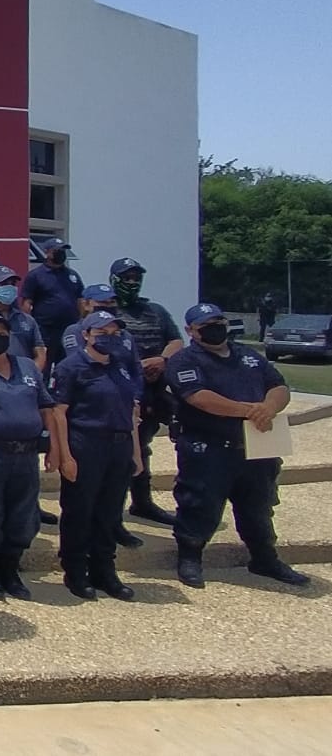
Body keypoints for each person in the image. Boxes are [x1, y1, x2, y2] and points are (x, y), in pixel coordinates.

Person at [167, 303, 309, 589]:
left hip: (256, 447)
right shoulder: (184, 360)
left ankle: (264, 559)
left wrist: (269, 407)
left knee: (259, 506)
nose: (215, 327)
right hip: (208, 448)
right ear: (191, 331)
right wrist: (249, 410)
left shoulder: (248, 355)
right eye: (206, 324)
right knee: (199, 504)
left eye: (218, 320)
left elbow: (278, 386)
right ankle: (190, 558)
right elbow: (199, 397)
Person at [0, 312, 58, 601]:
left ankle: (11, 570)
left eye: (3, 332)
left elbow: (46, 407)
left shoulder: (27, 367)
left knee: (23, 517)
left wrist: (54, 446)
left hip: (26, 455)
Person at [50, 311, 142, 601]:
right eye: (102, 332)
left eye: (114, 332)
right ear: (86, 335)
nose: (108, 337)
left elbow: (132, 410)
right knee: (80, 511)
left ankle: (105, 570)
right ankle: (75, 571)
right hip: (86, 443)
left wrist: (136, 452)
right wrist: (65, 456)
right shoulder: (71, 367)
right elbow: (59, 413)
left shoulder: (123, 365)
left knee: (110, 511)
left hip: (120, 444)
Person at [108, 257, 185, 530]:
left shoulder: (155, 310)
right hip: (121, 390)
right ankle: (112, 516)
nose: (132, 282)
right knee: (123, 452)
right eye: (126, 277)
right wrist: (137, 367)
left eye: (136, 277)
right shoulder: (108, 312)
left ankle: (142, 503)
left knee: (142, 447)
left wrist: (162, 360)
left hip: (154, 389)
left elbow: (176, 340)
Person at [20, 237, 84, 366]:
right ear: (47, 252)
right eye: (57, 251)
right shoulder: (36, 275)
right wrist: (29, 325)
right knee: (45, 365)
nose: (61, 253)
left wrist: (81, 321)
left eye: (63, 251)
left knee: (69, 363)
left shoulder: (72, 275)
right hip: (45, 330)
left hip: (69, 329)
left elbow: (81, 300)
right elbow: (27, 302)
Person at [0, 266, 46, 368]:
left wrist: (33, 373)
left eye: (12, 284)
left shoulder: (27, 320)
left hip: (23, 378)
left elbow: (40, 353)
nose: (9, 287)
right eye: (3, 284)